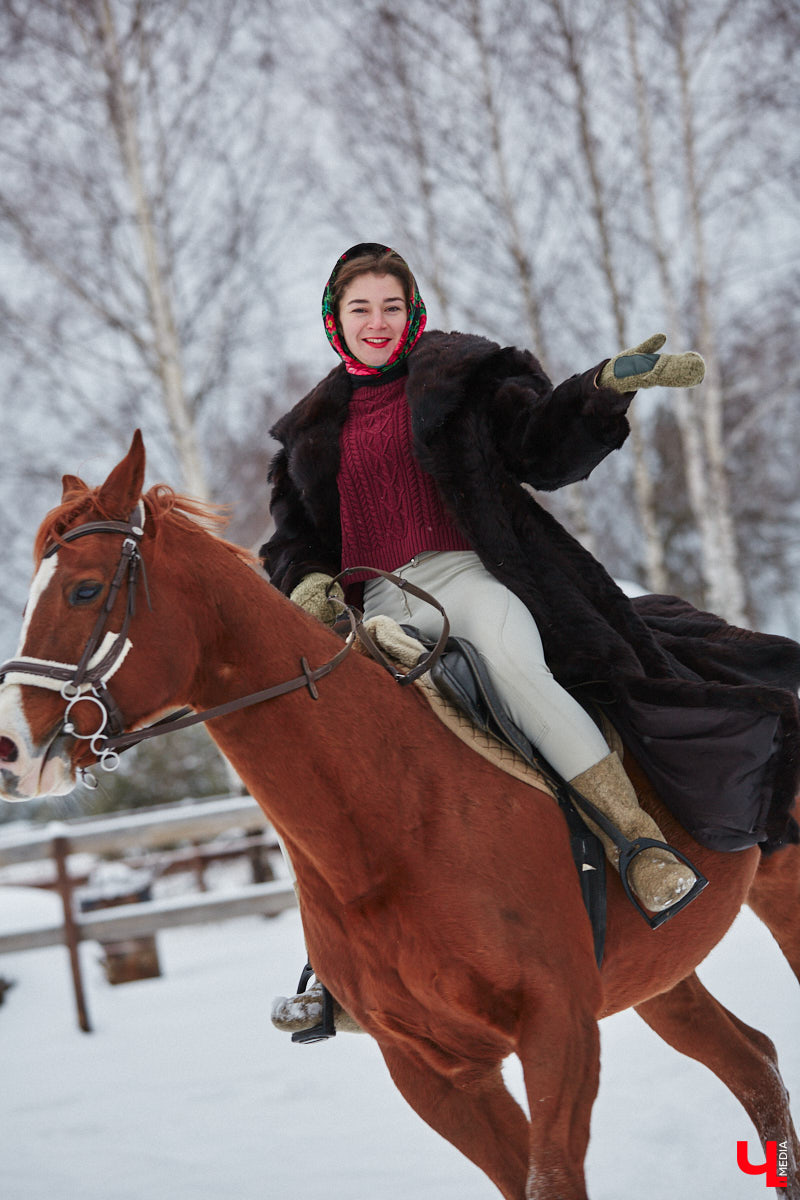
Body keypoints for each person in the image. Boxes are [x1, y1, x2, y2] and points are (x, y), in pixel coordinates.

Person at [263, 241, 711, 914]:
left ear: (413, 311)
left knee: (513, 665)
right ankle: (339, 947)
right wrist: (306, 582)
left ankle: (638, 844)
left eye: (392, 306)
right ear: (335, 319)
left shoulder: (462, 377)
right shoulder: (307, 432)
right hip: (375, 604)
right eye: (361, 309)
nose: (377, 322)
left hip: (469, 579)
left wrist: (603, 387)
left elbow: (542, 449)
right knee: (325, 736)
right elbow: (293, 540)